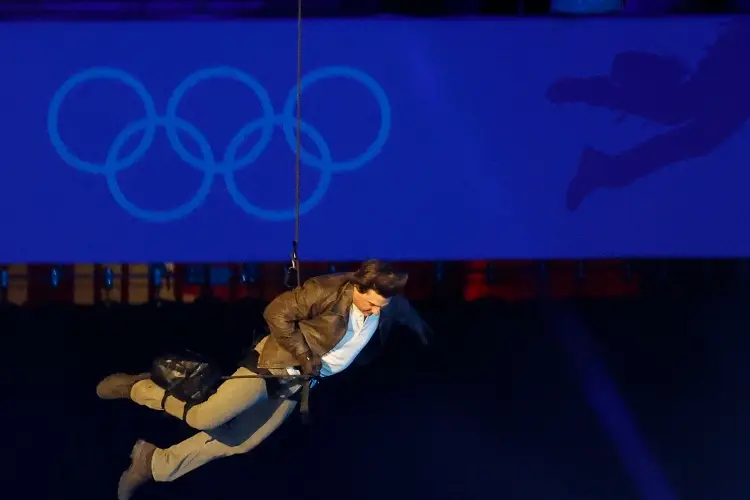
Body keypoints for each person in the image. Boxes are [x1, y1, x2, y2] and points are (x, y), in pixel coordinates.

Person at [96, 260, 431, 500]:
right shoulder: (327, 291)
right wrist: (304, 356)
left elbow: (398, 308)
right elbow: (276, 312)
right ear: (359, 286)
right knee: (206, 416)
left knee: (241, 441)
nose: (376, 311)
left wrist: (417, 325)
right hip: (273, 365)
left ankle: (153, 463)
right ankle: (139, 388)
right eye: (371, 304)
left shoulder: (384, 303)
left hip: (298, 383)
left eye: (381, 307)